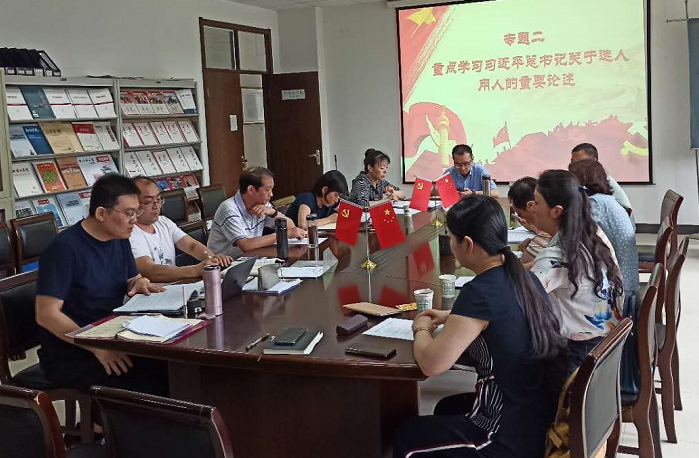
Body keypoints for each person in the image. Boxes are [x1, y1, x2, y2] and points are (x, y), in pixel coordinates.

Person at [394, 196, 566, 458]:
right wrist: (453, 316)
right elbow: (502, 313)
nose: (450, 244)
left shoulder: (478, 292)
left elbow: (431, 364)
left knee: (407, 436)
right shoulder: (525, 278)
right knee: (446, 408)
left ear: (468, 244)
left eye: (451, 237)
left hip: (502, 437)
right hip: (536, 420)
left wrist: (421, 328)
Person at [35, 174, 168, 396]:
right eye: (129, 213)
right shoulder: (65, 249)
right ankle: (104, 420)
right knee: (144, 381)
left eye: (136, 212)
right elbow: (46, 314)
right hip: (72, 349)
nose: (135, 221)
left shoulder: (119, 237)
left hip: (112, 334)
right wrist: (97, 348)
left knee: (168, 365)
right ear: (101, 213)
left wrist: (139, 282)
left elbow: (132, 278)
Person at [530, 170, 624, 373]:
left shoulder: (557, 256)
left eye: (536, 202)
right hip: (604, 348)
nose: (531, 207)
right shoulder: (590, 235)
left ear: (556, 211)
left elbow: (517, 299)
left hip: (576, 357)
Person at [130, 176, 233, 283]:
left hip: (177, 285)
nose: (156, 206)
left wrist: (213, 259)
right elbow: (151, 271)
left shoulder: (163, 222)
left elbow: (191, 246)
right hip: (156, 290)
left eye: (158, 199)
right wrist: (195, 270)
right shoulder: (130, 234)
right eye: (148, 201)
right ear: (133, 203)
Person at [568, 160, 639, 298]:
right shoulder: (605, 200)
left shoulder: (596, 203)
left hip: (618, 288)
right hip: (625, 281)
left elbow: (577, 236)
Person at [207, 167, 306, 257]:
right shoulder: (229, 209)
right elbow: (245, 245)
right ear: (251, 189)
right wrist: (283, 234)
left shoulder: (262, 205)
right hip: (224, 264)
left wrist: (273, 213)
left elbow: (291, 228)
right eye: (268, 189)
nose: (271, 194)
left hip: (249, 258)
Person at [570, 143, 633, 213]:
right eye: (572, 162)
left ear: (594, 161)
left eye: (580, 162)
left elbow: (627, 209)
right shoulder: (578, 180)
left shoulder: (602, 179)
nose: (574, 166)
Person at [507, 176, 552, 267]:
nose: (523, 218)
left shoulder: (543, 237)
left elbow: (521, 272)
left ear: (531, 205)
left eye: (520, 214)